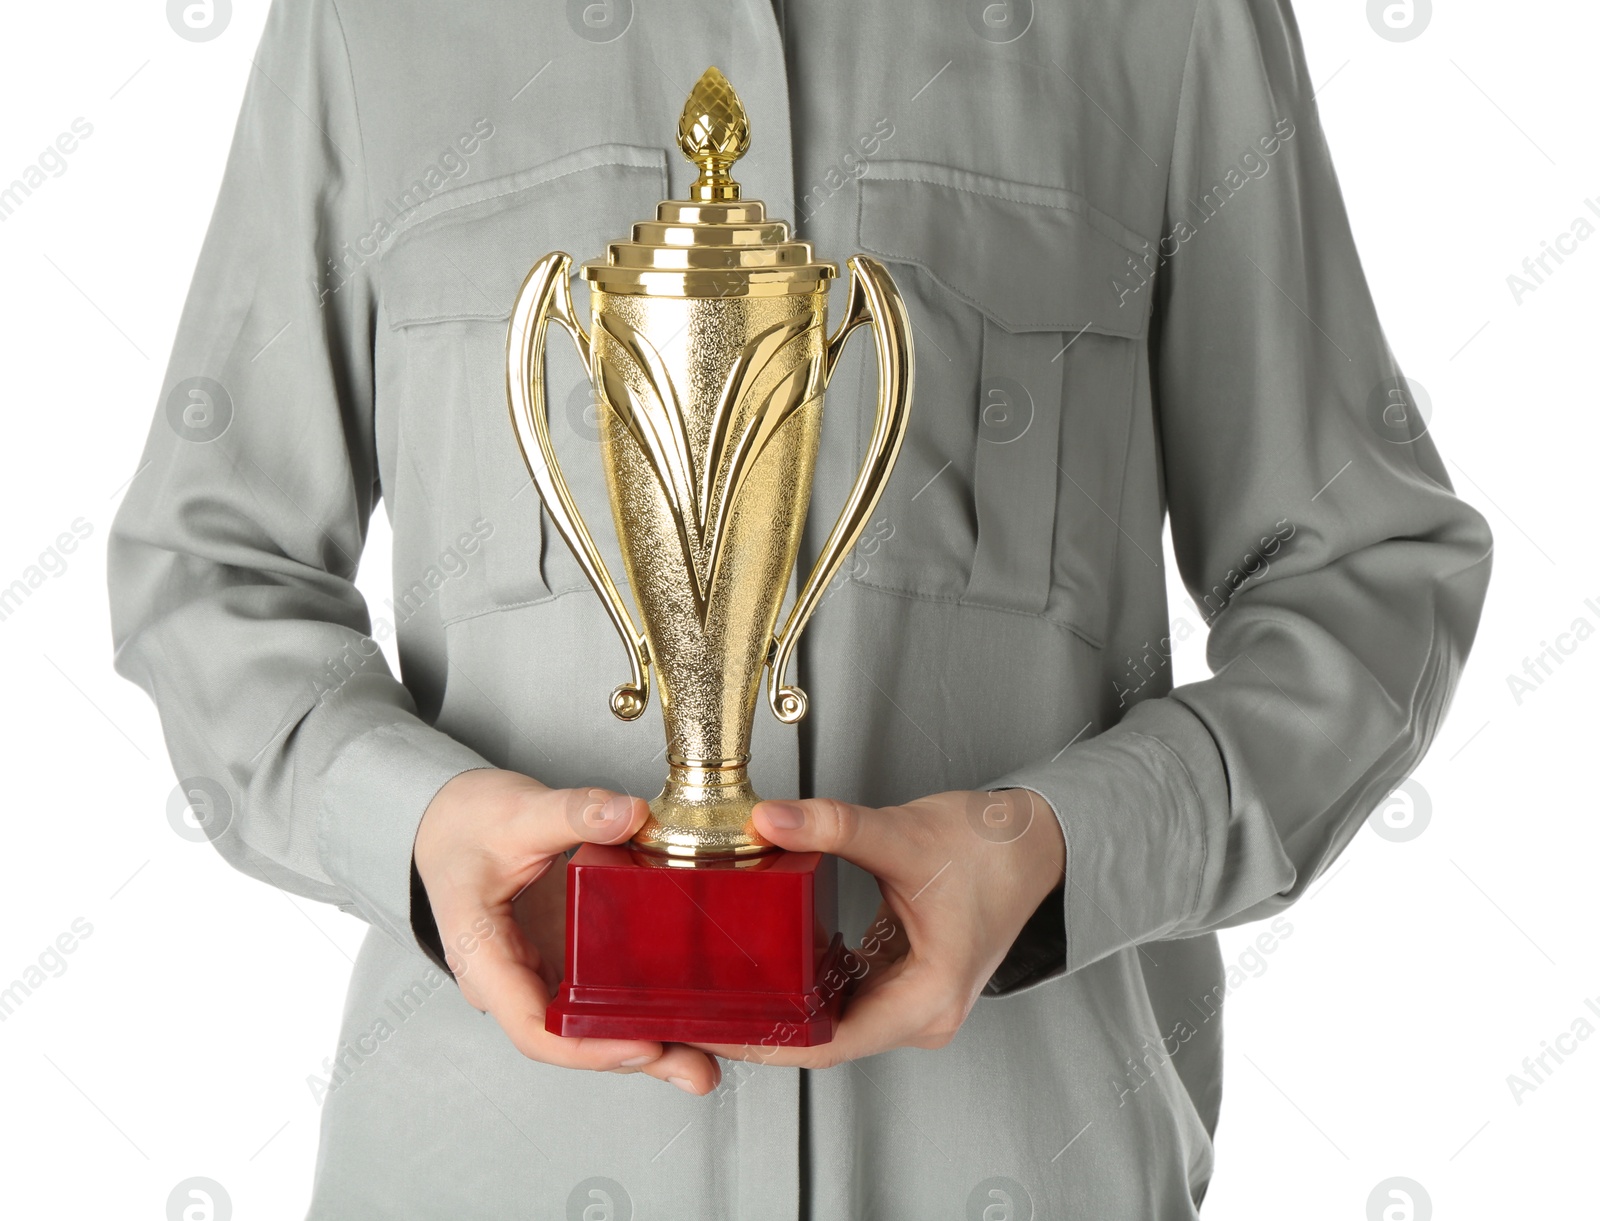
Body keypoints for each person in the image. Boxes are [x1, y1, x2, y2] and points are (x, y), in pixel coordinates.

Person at [108, 0, 1492, 1216]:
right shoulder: (368, 23)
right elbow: (209, 568)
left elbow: (1368, 576)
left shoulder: (1164, 21)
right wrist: (414, 829)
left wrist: (1061, 852)